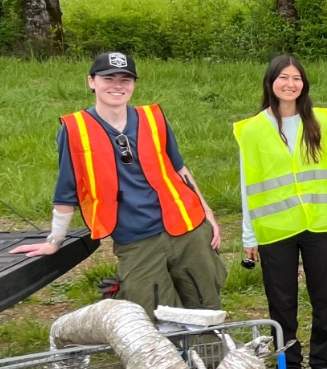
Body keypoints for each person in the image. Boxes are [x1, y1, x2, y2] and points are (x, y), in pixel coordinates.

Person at [13, 52, 225, 314]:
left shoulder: (153, 118)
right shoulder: (75, 128)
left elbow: (179, 169)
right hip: (135, 236)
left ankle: (210, 355)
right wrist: (54, 241)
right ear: (92, 81)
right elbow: (67, 190)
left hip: (187, 227)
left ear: (133, 84)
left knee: (205, 302)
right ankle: (171, 355)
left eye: (125, 79)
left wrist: (207, 213)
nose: (117, 85)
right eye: (108, 78)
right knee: (155, 312)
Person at [236, 56, 327, 369]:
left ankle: (324, 362)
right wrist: (248, 236)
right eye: (283, 78)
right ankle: (290, 364)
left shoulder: (319, 120)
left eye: (296, 78)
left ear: (304, 84)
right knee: (282, 303)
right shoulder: (253, 129)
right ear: (270, 83)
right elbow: (247, 185)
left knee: (324, 298)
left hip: (320, 224)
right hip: (275, 229)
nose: (290, 84)